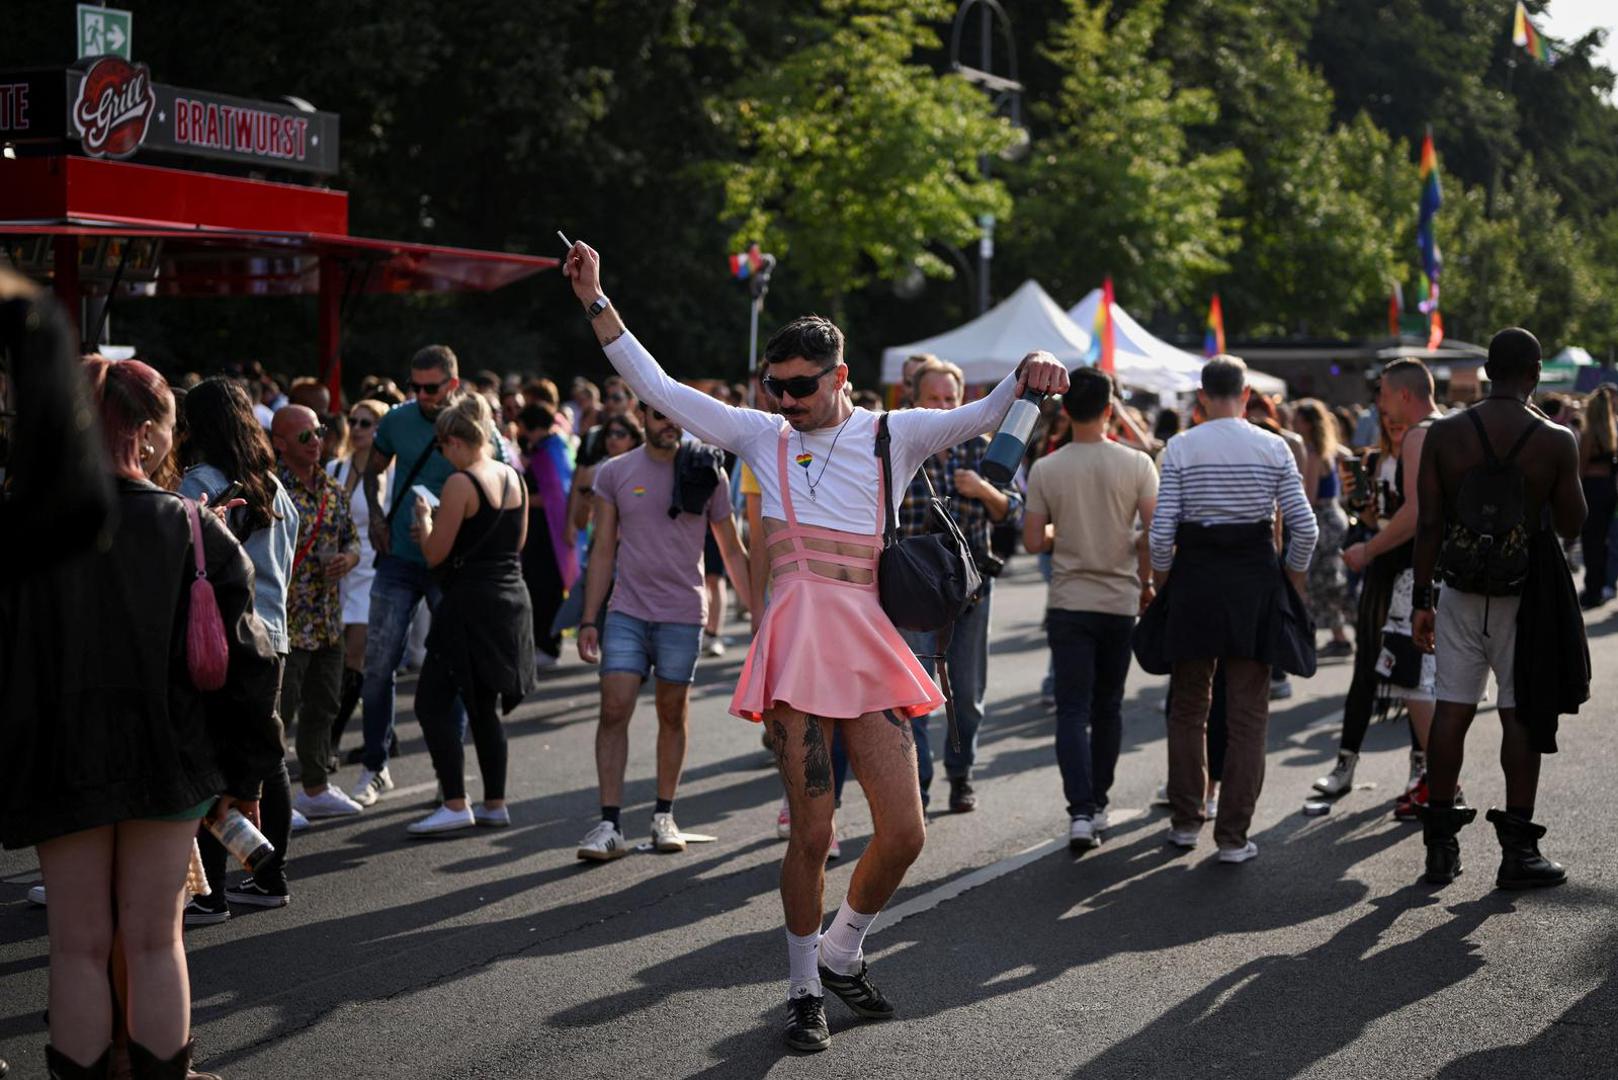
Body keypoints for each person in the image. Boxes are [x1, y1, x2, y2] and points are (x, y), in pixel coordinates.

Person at [562, 239, 1068, 1053]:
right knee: (811, 834)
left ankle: (841, 950)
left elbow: (983, 413)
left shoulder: (893, 433)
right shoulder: (761, 433)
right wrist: (597, 300)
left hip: (867, 642)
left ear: (839, 377)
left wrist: (1031, 368)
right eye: (777, 386)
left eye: (802, 386)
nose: (787, 400)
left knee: (905, 832)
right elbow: (656, 387)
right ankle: (804, 990)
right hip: (798, 648)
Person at [2, 358, 281, 1080]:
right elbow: (252, 667)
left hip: (58, 761)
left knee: (76, 945)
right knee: (156, 940)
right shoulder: (194, 529)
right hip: (171, 759)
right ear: (151, 432)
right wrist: (246, 778)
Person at [1412, 327, 1587, 888]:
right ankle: (1518, 853)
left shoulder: (1445, 433)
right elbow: (1572, 523)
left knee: (1452, 710)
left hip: (1460, 586)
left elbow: (1429, 523)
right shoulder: (1555, 439)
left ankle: (1440, 849)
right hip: (1526, 592)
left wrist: (1421, 600)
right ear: (1536, 373)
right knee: (1520, 711)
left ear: (1487, 371)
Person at [1149, 355, 1316, 864]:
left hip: (1195, 583)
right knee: (1248, 715)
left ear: (1201, 397)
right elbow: (1305, 527)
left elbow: (1161, 533)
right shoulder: (1273, 447)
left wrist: (1164, 585)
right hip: (1254, 584)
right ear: (1246, 395)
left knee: (1188, 708)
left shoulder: (1180, 447)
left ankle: (1185, 822)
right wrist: (1290, 580)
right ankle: (1233, 837)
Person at [574, 401, 750, 859]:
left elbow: (732, 549)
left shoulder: (707, 469)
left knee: (672, 713)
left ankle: (664, 815)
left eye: (675, 416)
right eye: (659, 415)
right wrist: (589, 618)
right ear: (642, 418)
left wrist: (760, 615)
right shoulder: (614, 472)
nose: (669, 423)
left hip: (682, 613)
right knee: (614, 708)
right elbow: (602, 550)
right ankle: (609, 824)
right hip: (627, 611)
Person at [352, 344, 507, 807]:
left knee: (455, 669)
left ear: (452, 384)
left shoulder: (479, 429)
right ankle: (375, 766)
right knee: (378, 664)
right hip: (400, 557)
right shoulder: (398, 421)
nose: (421, 395)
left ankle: (448, 777)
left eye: (431, 387)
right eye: (414, 386)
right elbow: (372, 470)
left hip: (452, 567)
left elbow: (497, 489)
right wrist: (376, 515)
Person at [180, 377, 299, 923]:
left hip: (220, 637)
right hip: (272, 633)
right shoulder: (275, 486)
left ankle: (211, 893)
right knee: (265, 755)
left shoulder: (199, 484)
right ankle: (269, 875)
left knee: (213, 757)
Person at [1023, 368, 1157, 850]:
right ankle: (1099, 803)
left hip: (1069, 600)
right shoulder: (1138, 464)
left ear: (1066, 409)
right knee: (1108, 707)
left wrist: (1063, 529)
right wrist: (1146, 579)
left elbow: (1032, 541)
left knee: (1071, 709)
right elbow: (1154, 535)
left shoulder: (1046, 468)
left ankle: (1079, 811)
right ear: (1109, 409)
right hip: (1120, 600)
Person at [896, 356, 1023, 813]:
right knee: (915, 695)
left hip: (971, 589)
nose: (944, 406)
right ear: (914, 400)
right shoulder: (899, 447)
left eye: (950, 398)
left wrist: (984, 490)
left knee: (966, 695)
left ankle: (961, 772)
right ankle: (917, 787)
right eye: (933, 398)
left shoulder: (982, 447)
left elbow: (1015, 512)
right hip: (913, 592)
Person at [406, 394, 538, 835]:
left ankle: (454, 801)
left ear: (455, 441)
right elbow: (516, 544)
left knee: (430, 703)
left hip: (468, 605)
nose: (442, 454)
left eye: (441, 446)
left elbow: (434, 554)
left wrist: (425, 520)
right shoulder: (513, 476)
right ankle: (494, 803)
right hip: (510, 600)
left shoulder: (460, 484)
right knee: (483, 707)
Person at [1325, 361, 1440, 818]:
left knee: (1415, 674)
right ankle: (1349, 763)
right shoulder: (1377, 458)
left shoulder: (1421, 437)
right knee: (1372, 667)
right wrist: (1366, 515)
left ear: (1404, 397)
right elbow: (1380, 516)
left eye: (1387, 401)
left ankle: (1428, 774)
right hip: (1392, 569)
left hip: (1413, 568)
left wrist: (1369, 547)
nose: (1385, 414)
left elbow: (1417, 513)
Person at [272, 405, 366, 845]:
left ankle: (314, 787)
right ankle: (271, 797)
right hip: (286, 622)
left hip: (326, 619)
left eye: (319, 433)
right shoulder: (270, 489)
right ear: (280, 444)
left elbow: (352, 539)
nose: (316, 442)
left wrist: (349, 558)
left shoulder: (331, 488)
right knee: (280, 713)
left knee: (324, 705)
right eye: (304, 436)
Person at [326, 399, 392, 761]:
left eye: (366, 423)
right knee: (339, 656)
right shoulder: (335, 468)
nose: (357, 428)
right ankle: (384, 734)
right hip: (338, 570)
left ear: (382, 430)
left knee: (356, 654)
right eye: (353, 421)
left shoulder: (391, 474)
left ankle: (332, 740)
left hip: (374, 570)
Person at [517, 403, 578, 668]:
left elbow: (553, 496)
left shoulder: (547, 451)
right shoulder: (551, 447)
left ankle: (547, 645)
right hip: (542, 532)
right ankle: (543, 643)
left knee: (545, 590)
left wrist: (519, 497)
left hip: (548, 535)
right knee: (540, 588)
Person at [1292, 399, 1352, 657]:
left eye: (1297, 419)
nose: (1293, 423)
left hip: (1322, 519)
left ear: (1306, 423)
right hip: (1335, 515)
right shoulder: (1328, 447)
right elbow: (1348, 456)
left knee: (1317, 580)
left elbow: (1310, 495)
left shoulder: (1312, 452)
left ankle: (1330, 636)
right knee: (1330, 578)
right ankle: (1339, 635)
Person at [1576, 385, 1616, 608]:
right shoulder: (1612, 432)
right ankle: (1602, 585)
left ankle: (1592, 589)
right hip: (1609, 489)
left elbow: (1581, 468)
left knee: (1591, 541)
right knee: (1604, 542)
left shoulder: (1588, 433)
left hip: (1592, 490)